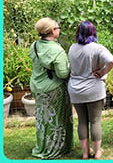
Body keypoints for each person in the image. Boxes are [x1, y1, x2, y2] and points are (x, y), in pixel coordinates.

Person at [68, 21, 113, 159]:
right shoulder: (97, 48)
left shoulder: (72, 48)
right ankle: (97, 152)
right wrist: (102, 72)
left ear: (78, 33)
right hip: (93, 89)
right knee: (95, 121)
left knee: (82, 121)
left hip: (75, 89)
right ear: (93, 33)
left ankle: (84, 153)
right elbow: (112, 61)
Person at [29, 17, 73, 159]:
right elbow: (63, 74)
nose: (59, 29)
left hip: (37, 86)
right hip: (53, 89)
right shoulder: (56, 50)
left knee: (43, 118)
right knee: (57, 120)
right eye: (57, 27)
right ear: (52, 31)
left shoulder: (34, 45)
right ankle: (55, 148)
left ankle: (42, 145)